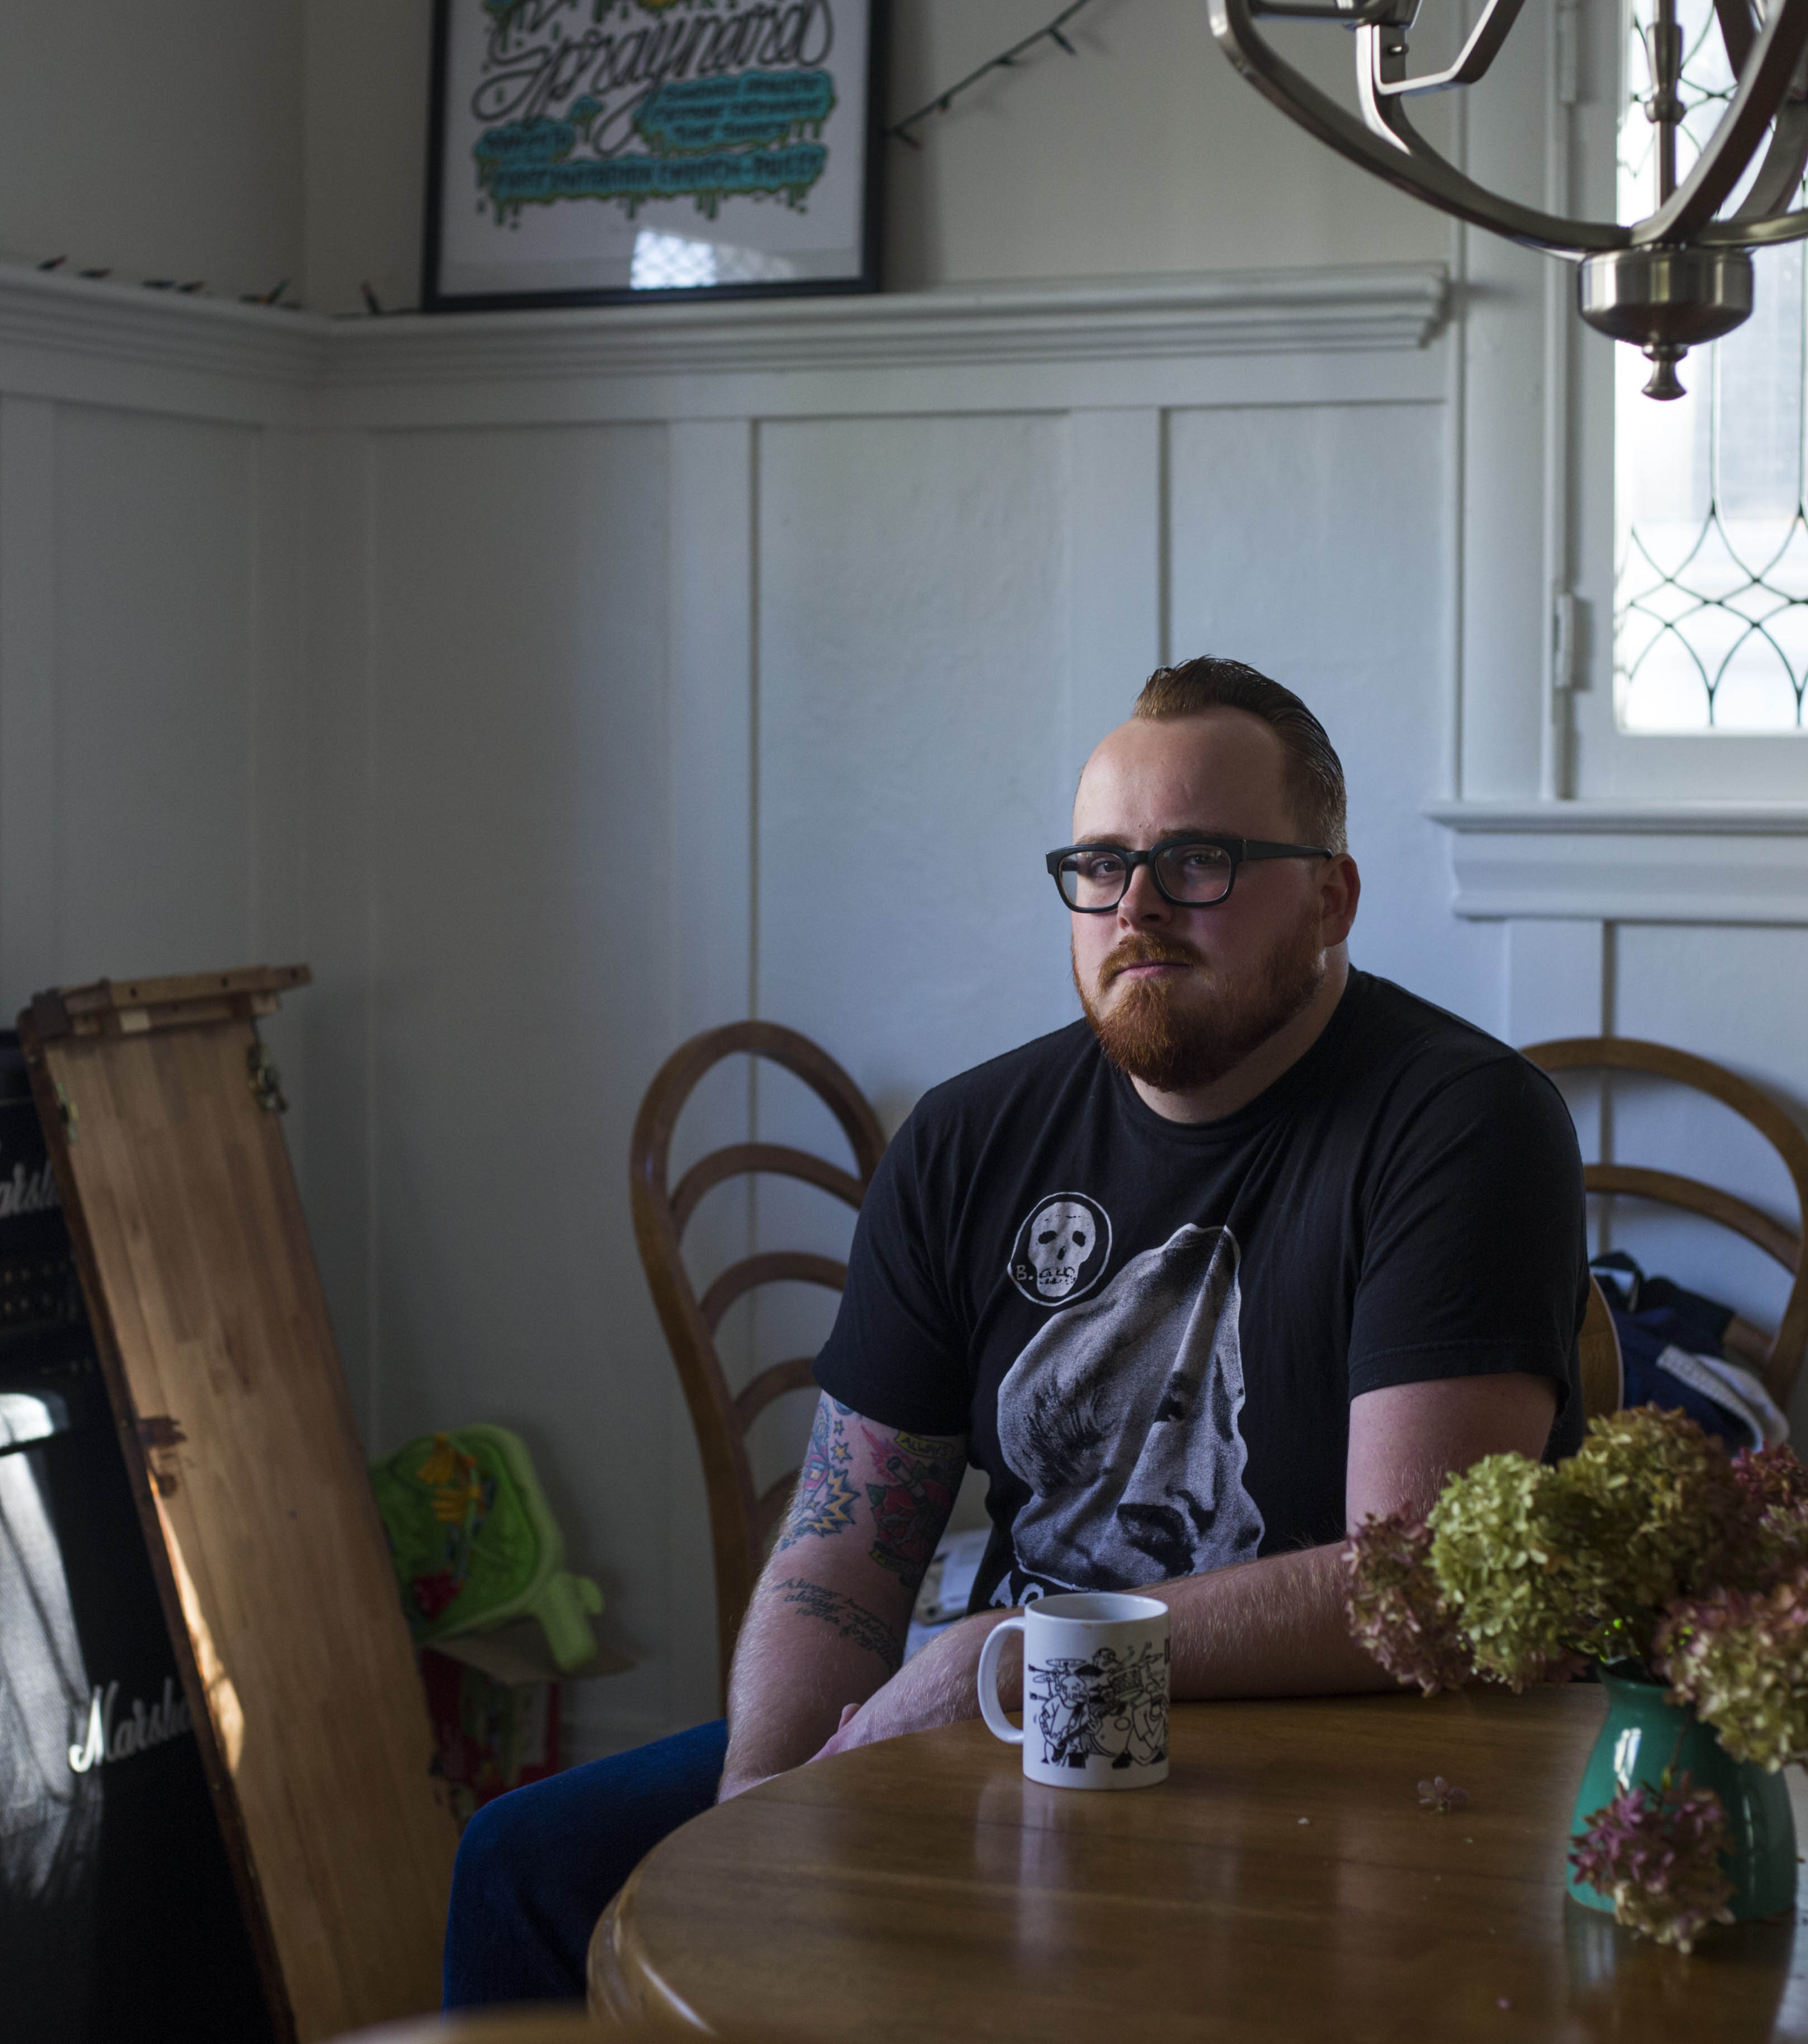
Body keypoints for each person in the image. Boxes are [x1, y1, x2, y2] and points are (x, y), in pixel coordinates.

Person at [443, 656, 1586, 2004]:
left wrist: (1020, 1652)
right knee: (526, 1863)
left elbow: (1418, 1588)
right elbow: (847, 1551)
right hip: (993, 1732)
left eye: (1199, 862)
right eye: (1101, 866)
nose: (1139, 910)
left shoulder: (1459, 1123)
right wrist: (762, 1806)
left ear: (1331, 896)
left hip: (1303, 1760)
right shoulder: (968, 1138)